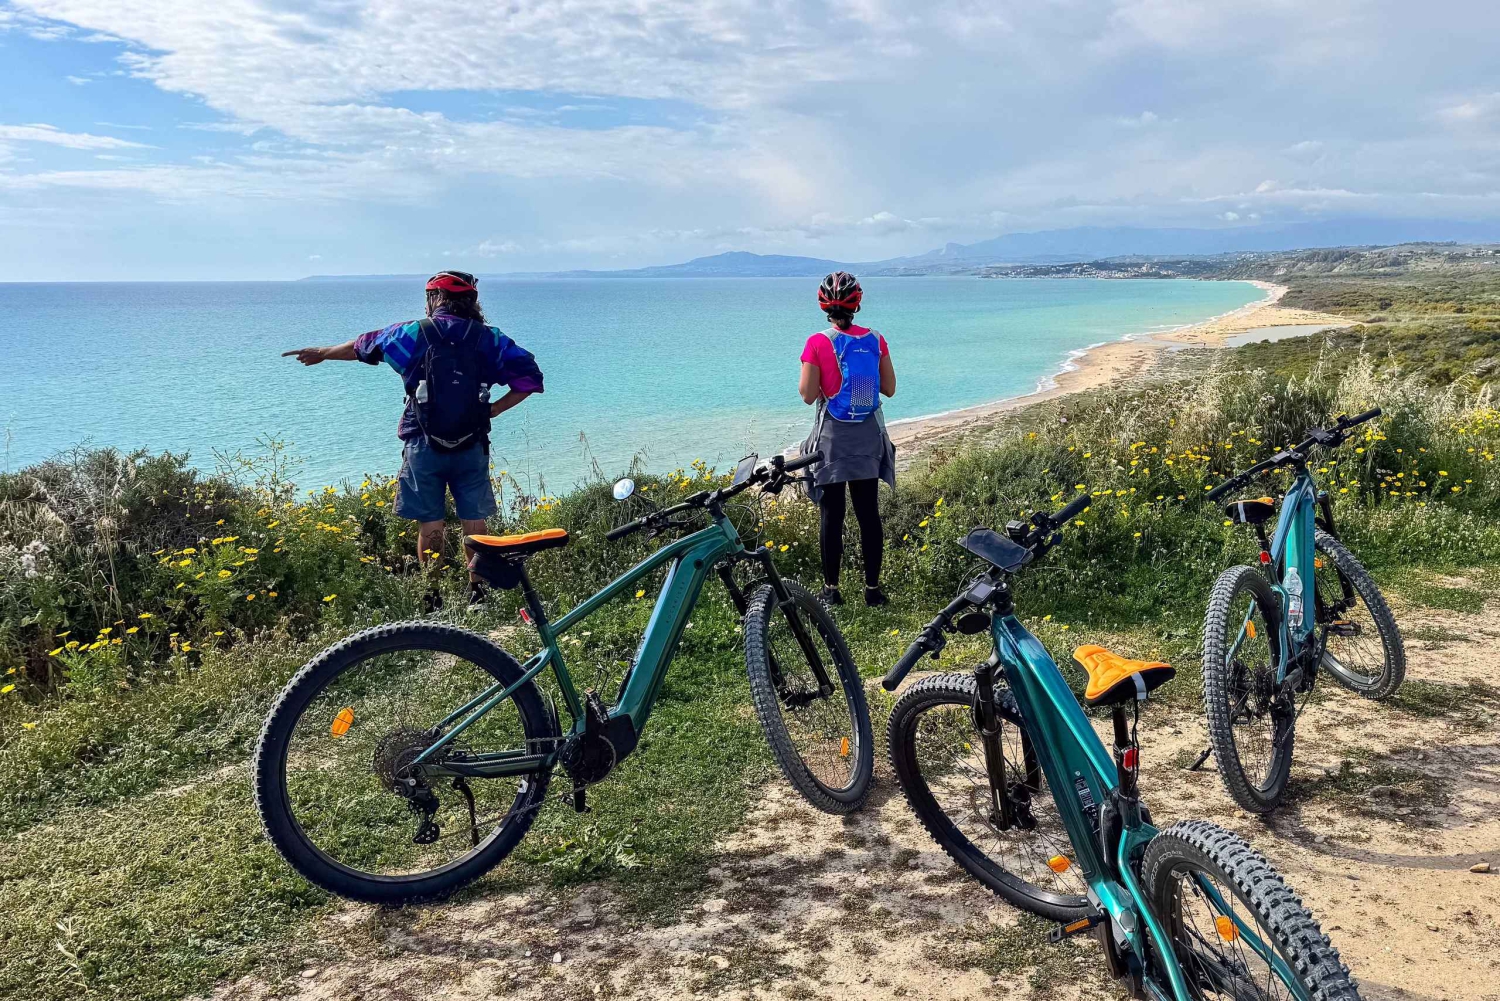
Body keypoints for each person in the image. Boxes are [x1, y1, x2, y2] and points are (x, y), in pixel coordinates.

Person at [283, 270, 544, 606]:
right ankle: (477, 591)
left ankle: (431, 594)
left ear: (433, 299)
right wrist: (493, 410)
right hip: (472, 443)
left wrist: (323, 351)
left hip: (423, 443)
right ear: (472, 302)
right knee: (474, 521)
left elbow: (364, 347)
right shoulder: (490, 339)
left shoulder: (411, 333)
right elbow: (529, 379)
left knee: (430, 523)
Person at [798, 271, 896, 607]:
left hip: (833, 441)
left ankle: (831, 591)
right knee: (868, 514)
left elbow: (809, 395)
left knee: (832, 514)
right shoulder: (876, 339)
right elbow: (889, 389)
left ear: (823, 304)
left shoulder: (816, 342)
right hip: (867, 436)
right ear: (857, 302)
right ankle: (873, 591)